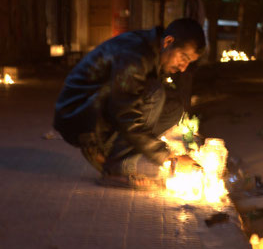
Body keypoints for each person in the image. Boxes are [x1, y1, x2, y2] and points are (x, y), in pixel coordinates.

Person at [54, 18, 206, 189]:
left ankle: (126, 154)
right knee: (155, 94)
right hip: (81, 119)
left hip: (102, 110)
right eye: (183, 58)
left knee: (173, 107)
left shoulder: (152, 49)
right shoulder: (136, 54)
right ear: (168, 41)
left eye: (189, 62)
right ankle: (114, 163)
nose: (183, 67)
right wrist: (168, 156)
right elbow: (125, 113)